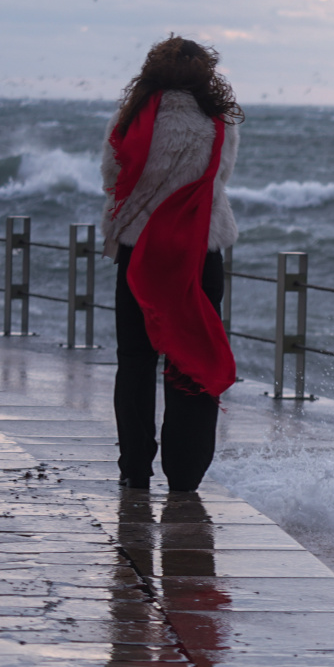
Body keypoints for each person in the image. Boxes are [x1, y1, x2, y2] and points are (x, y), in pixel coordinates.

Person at [100, 35, 242, 492]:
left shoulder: (129, 118)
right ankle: (185, 471)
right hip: (199, 252)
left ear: (151, 72)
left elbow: (112, 176)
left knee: (136, 360)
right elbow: (221, 177)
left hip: (140, 252)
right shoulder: (218, 122)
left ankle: (135, 467)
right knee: (189, 355)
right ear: (207, 76)